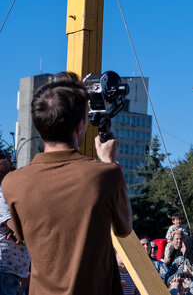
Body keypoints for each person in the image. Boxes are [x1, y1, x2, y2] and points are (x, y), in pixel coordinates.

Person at [1, 72, 132, 295]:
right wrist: (109, 162)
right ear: (80, 127)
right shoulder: (105, 176)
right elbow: (124, 228)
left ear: (39, 125)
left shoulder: (12, 183)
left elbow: (23, 234)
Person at [0, 147, 30, 295]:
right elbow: (22, 232)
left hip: (14, 276)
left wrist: (19, 229)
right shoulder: (1, 195)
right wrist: (20, 231)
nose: (9, 157)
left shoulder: (8, 193)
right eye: (3, 156)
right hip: (4, 273)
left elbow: (20, 229)